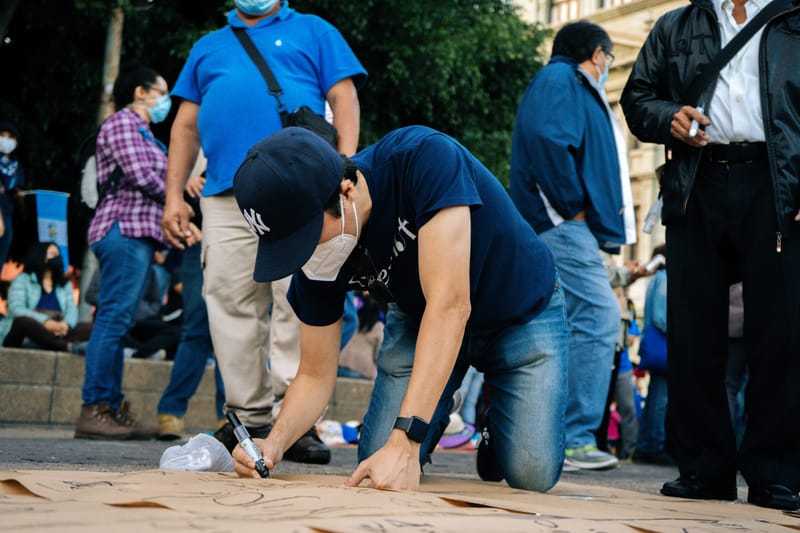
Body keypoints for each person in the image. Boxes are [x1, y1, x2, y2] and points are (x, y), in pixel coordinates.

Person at [230, 126, 568, 492]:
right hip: (423, 317)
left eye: (307, 238)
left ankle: (496, 427)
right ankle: (434, 400)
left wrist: (406, 441)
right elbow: (314, 373)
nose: (304, 256)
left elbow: (451, 305)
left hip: (519, 310)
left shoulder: (423, 158)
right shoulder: (317, 260)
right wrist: (274, 442)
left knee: (532, 473)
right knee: (376, 463)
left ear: (346, 191)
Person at [160, 0, 366, 463]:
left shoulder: (314, 30)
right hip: (223, 191)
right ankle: (248, 418)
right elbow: (186, 125)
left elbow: (344, 97)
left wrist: (343, 165)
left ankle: (296, 418)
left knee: (295, 297)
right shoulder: (207, 46)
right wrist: (174, 196)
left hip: (295, 190)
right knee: (228, 296)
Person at [621, 0, 800, 509]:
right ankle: (704, 468)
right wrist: (668, 117)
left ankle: (777, 472)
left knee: (780, 334)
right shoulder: (676, 25)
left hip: (777, 184)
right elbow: (637, 98)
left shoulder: (794, 20)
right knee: (694, 333)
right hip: (696, 182)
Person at [509, 20, 636, 471]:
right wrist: (572, 208)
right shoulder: (563, 78)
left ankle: (553, 435)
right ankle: (575, 437)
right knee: (600, 317)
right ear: (597, 54)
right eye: (609, 58)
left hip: (564, 222)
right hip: (563, 223)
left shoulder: (562, 81)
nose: (608, 65)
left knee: (567, 324)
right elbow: (549, 140)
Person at [75, 61, 170, 441]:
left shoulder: (145, 132)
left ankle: (109, 407)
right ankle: (95, 406)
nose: (165, 99)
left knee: (118, 322)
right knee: (113, 320)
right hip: (123, 230)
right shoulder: (123, 124)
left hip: (135, 234)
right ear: (140, 93)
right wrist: (179, 192)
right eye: (161, 91)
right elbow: (143, 175)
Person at [0, 242, 91, 352]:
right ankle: (66, 346)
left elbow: (72, 309)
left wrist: (66, 325)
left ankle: (55, 344)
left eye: (58, 255)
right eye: (53, 254)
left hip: (57, 332)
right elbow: (16, 309)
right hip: (29, 333)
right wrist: (45, 322)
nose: (57, 258)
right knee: (23, 322)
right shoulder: (23, 279)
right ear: (40, 256)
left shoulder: (64, 284)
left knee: (89, 328)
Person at [632, 247, 671, 466]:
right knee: (660, 397)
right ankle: (653, 445)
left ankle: (645, 444)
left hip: (655, 345)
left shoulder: (657, 278)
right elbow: (661, 317)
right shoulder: (664, 278)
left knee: (657, 393)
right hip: (663, 346)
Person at [338, 293, 384, 380]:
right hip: (363, 371)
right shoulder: (378, 327)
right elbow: (379, 356)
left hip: (341, 365)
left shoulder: (352, 322)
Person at [0, 121, 25, 268]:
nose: (5, 139)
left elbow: (18, 196)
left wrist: (20, 196)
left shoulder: (17, 168)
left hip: (8, 216)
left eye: (10, 137)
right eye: (2, 136)